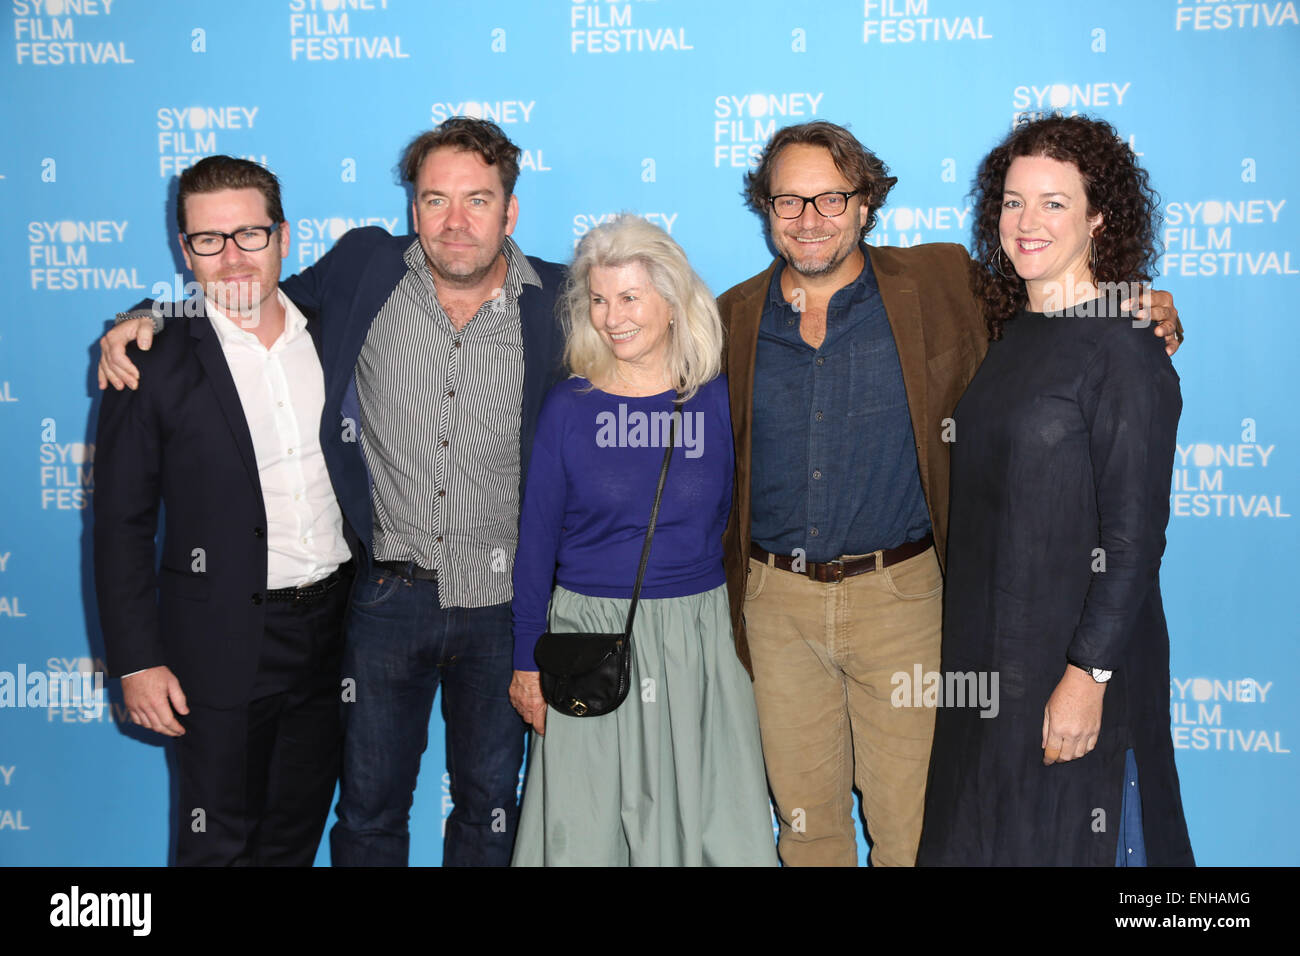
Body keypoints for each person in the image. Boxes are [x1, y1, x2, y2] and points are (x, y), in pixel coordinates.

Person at [97, 118, 568, 867]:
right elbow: (235, 304)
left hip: (494, 606)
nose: (454, 220)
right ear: (412, 208)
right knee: (365, 811)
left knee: (489, 807)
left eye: (477, 200)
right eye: (435, 198)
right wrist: (144, 317)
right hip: (381, 604)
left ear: (510, 211)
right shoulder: (362, 272)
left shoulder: (564, 301)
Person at [716, 120, 1184, 867]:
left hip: (905, 601)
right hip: (781, 609)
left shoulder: (942, 284)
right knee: (807, 830)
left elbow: (1083, 325)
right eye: (789, 201)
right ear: (765, 209)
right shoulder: (730, 316)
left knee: (915, 832)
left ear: (867, 203)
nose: (810, 219)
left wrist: (1142, 308)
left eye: (832, 198)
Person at [917, 115, 1194, 866]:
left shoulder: (1127, 348)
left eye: (1054, 203)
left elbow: (1135, 542)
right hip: (990, 666)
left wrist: (1088, 678)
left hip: (1073, 667)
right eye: (1012, 202)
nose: (1027, 222)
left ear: (1099, 218)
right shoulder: (1011, 335)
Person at [94, 155, 353, 866]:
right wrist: (137, 661)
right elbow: (120, 524)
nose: (233, 257)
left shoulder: (337, 334)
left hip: (335, 634)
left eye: (250, 234)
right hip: (217, 643)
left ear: (284, 236)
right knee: (216, 845)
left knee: (293, 838)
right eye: (209, 240)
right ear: (185, 249)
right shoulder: (148, 358)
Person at [508, 215, 777, 866]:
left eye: (629, 297)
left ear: (672, 301)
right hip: (585, 642)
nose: (611, 317)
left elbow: (746, 519)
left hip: (700, 640)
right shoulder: (568, 407)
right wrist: (525, 665)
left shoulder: (718, 398)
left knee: (711, 829)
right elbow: (535, 543)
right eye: (598, 299)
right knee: (584, 832)